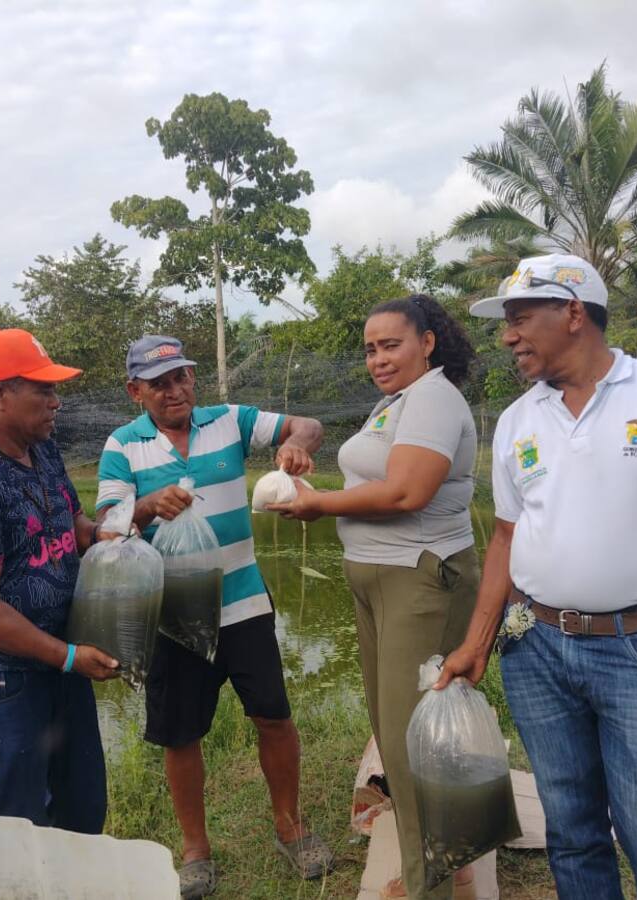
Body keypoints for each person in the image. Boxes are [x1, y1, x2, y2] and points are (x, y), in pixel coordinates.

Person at [437, 254, 637, 899]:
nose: (508, 336)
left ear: (575, 313)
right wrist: (477, 642)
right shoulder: (516, 420)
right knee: (573, 829)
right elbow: (505, 537)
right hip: (534, 647)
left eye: (521, 319)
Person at [96, 335, 332, 899]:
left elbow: (308, 425)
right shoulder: (123, 446)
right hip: (173, 614)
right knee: (182, 735)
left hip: (244, 604)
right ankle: (196, 849)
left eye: (182, 377)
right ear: (136, 391)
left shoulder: (229, 420)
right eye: (160, 383)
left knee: (273, 716)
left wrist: (297, 446)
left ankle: (290, 826)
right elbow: (107, 527)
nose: (175, 390)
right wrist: (148, 506)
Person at [268, 295, 481, 900]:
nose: (379, 359)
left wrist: (318, 503)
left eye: (391, 345)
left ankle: (430, 887)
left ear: (427, 342)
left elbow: (406, 492)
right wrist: (309, 482)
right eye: (370, 349)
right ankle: (444, 865)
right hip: (380, 579)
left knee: (414, 743)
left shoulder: (435, 398)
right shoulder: (398, 403)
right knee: (398, 736)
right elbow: (375, 483)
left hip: (419, 580)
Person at [0, 328, 119, 834]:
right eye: (44, 390)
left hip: (58, 661)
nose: (56, 403)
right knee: (13, 830)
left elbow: (73, 529)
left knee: (81, 809)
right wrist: (70, 656)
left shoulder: (44, 451)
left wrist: (111, 536)